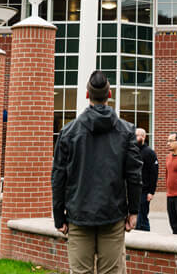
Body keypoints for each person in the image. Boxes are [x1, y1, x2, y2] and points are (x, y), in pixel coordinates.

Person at [51, 71, 142, 274]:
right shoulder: (126, 131)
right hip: (113, 213)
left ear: (86, 95)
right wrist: (134, 211)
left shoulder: (68, 132)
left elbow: (58, 177)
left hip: (78, 214)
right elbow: (134, 175)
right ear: (109, 94)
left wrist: (59, 216)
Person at [134, 127, 158, 232]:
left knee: (142, 219)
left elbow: (154, 173)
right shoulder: (132, 151)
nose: (135, 137)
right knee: (134, 219)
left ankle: (145, 240)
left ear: (143, 137)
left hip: (144, 191)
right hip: (132, 190)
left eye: (137, 135)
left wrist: (151, 192)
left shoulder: (149, 153)